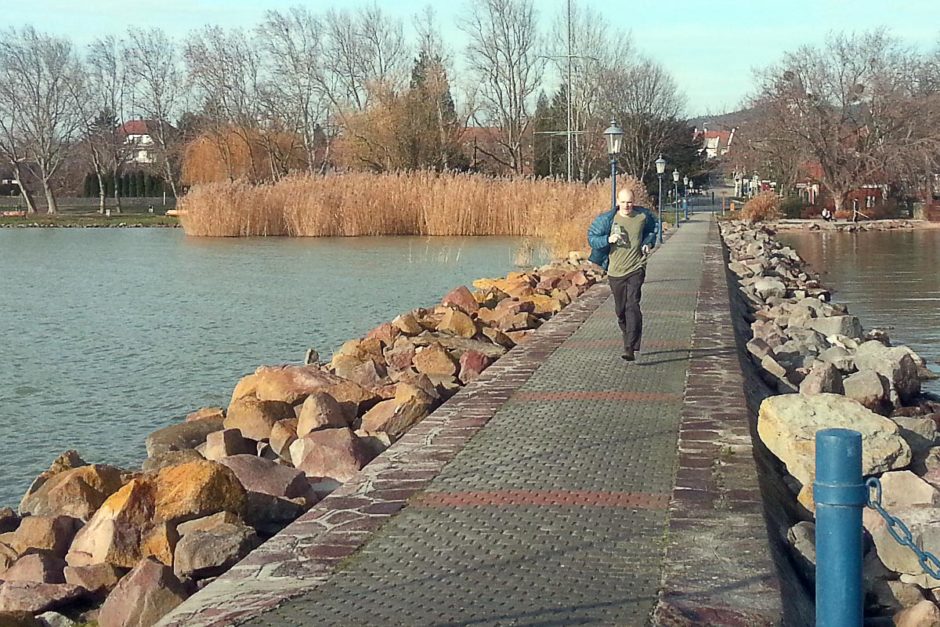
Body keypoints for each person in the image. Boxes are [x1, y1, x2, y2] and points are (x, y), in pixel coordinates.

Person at [587, 188, 659, 362]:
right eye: (623, 202)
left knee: (632, 305)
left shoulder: (642, 217)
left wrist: (648, 244)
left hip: (636, 267)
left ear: (634, 202)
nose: (627, 205)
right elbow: (592, 237)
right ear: (617, 202)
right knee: (620, 311)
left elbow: (652, 230)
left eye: (630, 202)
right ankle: (629, 337)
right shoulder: (608, 220)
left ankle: (630, 347)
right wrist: (607, 240)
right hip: (615, 271)